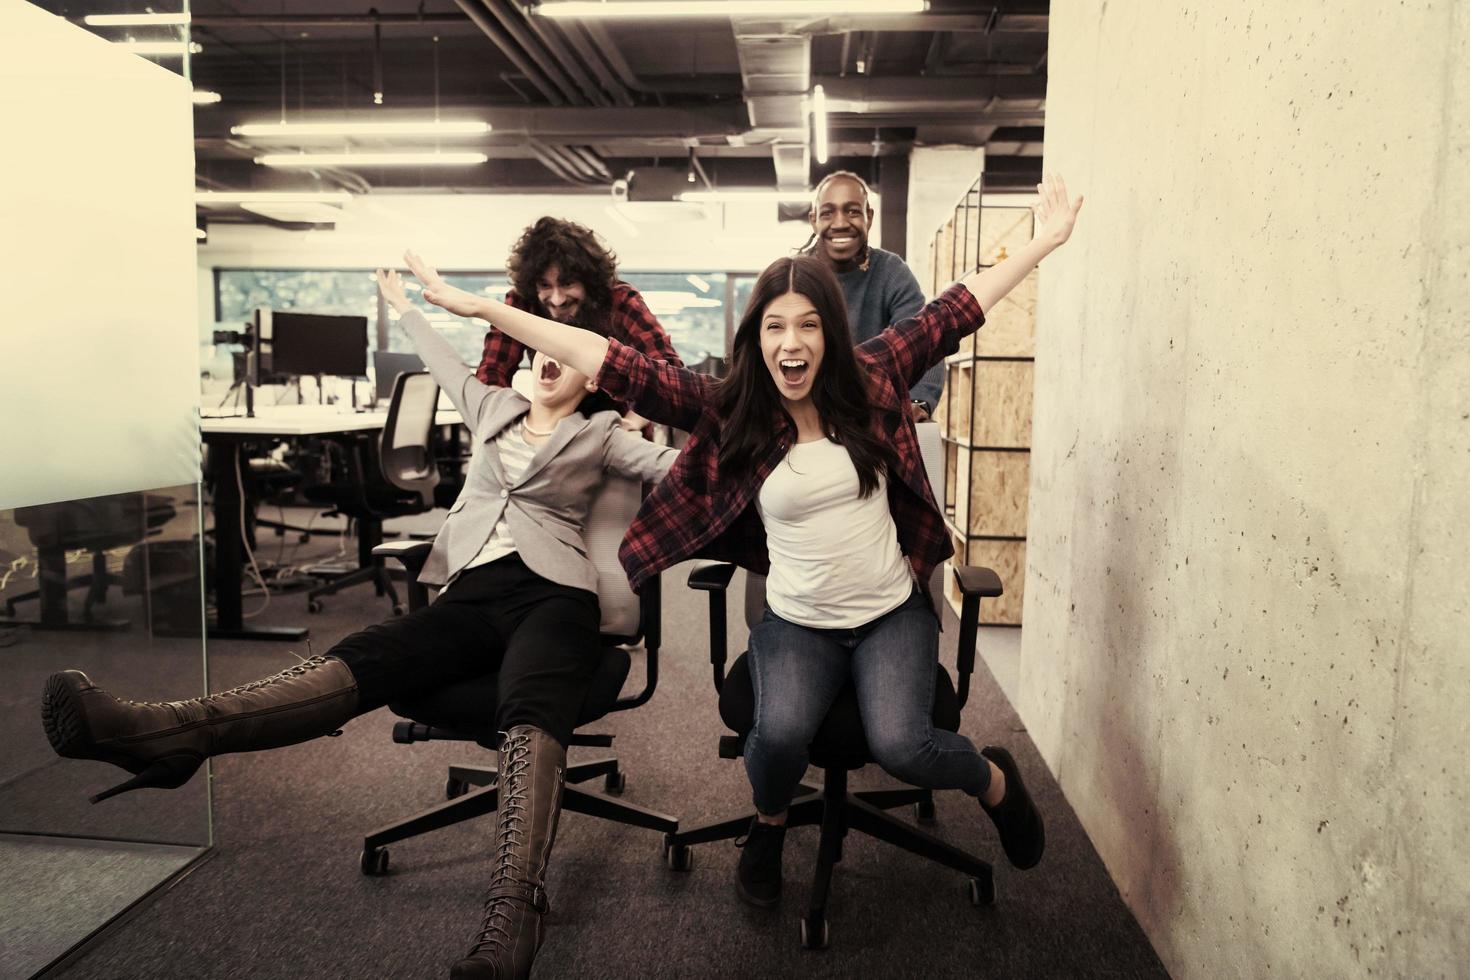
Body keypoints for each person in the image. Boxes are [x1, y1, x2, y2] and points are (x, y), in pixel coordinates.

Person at [403, 174, 1084, 908]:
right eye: (774, 327)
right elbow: (611, 361)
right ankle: (767, 824)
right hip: (797, 620)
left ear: (829, 330)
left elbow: (958, 309)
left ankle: (995, 780)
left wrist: (1044, 241)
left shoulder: (876, 375)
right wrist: (483, 309)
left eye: (808, 325)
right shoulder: (734, 411)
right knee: (778, 736)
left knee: (902, 745)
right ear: (756, 338)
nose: (791, 343)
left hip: (890, 611)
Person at [39, 270, 678, 980]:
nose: (545, 358)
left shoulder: (602, 435)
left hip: (555, 594)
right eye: (535, 352)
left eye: (564, 355)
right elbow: (436, 357)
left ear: (591, 377)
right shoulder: (490, 405)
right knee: (364, 654)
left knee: (533, 701)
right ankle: (166, 731)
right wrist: (405, 305)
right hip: (470, 591)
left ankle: (513, 921)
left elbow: (678, 469)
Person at [477, 215, 684, 432]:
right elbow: (493, 370)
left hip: (616, 433)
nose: (557, 300)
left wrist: (630, 425)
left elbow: (669, 375)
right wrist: (505, 426)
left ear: (589, 281)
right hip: (551, 435)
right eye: (545, 285)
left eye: (567, 283)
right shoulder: (522, 304)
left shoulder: (619, 301)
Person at [799, 170, 939, 421]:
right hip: (805, 412)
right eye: (828, 213)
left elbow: (925, 341)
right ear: (813, 220)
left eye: (852, 211)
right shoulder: (795, 275)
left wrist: (919, 401)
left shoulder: (891, 272)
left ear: (869, 217)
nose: (840, 223)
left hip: (872, 415)